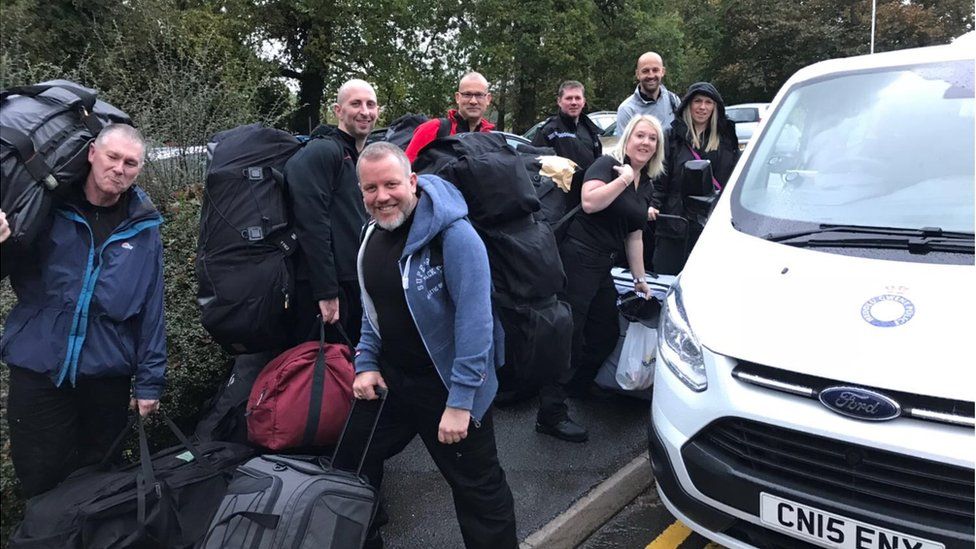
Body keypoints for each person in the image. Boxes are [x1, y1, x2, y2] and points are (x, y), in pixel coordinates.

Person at [352, 142, 517, 549]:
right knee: (352, 461)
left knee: (478, 491)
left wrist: (461, 402)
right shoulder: (371, 234)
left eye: (391, 184)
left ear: (412, 181)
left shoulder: (456, 236)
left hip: (448, 387)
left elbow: (476, 324)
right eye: (370, 189)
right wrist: (365, 361)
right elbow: (374, 308)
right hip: (393, 380)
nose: (382, 196)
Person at [1, 124, 166, 497]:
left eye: (131, 163)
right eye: (112, 157)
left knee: (99, 481)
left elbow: (152, 307)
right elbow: (10, 265)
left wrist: (150, 380)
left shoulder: (144, 228)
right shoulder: (48, 206)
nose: (119, 169)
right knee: (40, 479)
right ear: (92, 153)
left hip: (105, 375)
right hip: (38, 368)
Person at [553, 115, 665, 404]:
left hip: (604, 265)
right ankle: (550, 410)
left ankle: (576, 388)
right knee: (570, 335)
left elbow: (634, 236)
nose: (646, 142)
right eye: (640, 136)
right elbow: (590, 203)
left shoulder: (647, 183)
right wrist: (624, 179)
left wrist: (640, 279)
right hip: (578, 257)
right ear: (627, 138)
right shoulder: (607, 165)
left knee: (605, 331)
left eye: (652, 138)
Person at [286, 79, 379, 346]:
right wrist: (326, 291)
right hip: (328, 292)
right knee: (324, 377)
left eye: (370, 104)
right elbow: (311, 224)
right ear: (338, 110)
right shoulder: (323, 151)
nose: (364, 111)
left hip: (352, 283)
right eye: (356, 103)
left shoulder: (355, 156)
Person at [653, 82, 740, 275]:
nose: (702, 107)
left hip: (711, 223)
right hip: (675, 223)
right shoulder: (671, 137)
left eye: (708, 102)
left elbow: (732, 178)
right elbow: (661, 179)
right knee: (667, 278)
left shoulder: (725, 139)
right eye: (698, 101)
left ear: (715, 107)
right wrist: (653, 207)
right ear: (688, 105)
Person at [531, 80, 603, 210]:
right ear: (559, 101)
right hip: (558, 203)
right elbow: (534, 166)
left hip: (587, 198)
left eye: (577, 98)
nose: (574, 102)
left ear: (583, 101)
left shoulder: (591, 130)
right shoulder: (548, 131)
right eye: (569, 98)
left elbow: (599, 163)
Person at [405, 72, 495, 163]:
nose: (473, 101)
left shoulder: (491, 139)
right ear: (457, 98)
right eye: (467, 94)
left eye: (479, 95)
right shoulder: (433, 129)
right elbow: (406, 170)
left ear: (488, 99)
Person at [615, 52, 681, 135]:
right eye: (645, 71)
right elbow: (624, 147)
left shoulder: (674, 101)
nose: (651, 75)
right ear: (638, 74)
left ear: (663, 72)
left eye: (655, 70)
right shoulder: (627, 110)